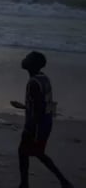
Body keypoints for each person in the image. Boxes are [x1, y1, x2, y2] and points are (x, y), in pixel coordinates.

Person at [10, 51, 73, 188]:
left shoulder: (33, 83)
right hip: (45, 123)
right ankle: (61, 181)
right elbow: (42, 105)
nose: (24, 59)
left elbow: (38, 109)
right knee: (33, 153)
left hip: (36, 125)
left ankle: (27, 184)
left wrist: (30, 129)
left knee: (30, 153)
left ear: (32, 65)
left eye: (27, 58)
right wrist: (23, 106)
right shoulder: (44, 78)